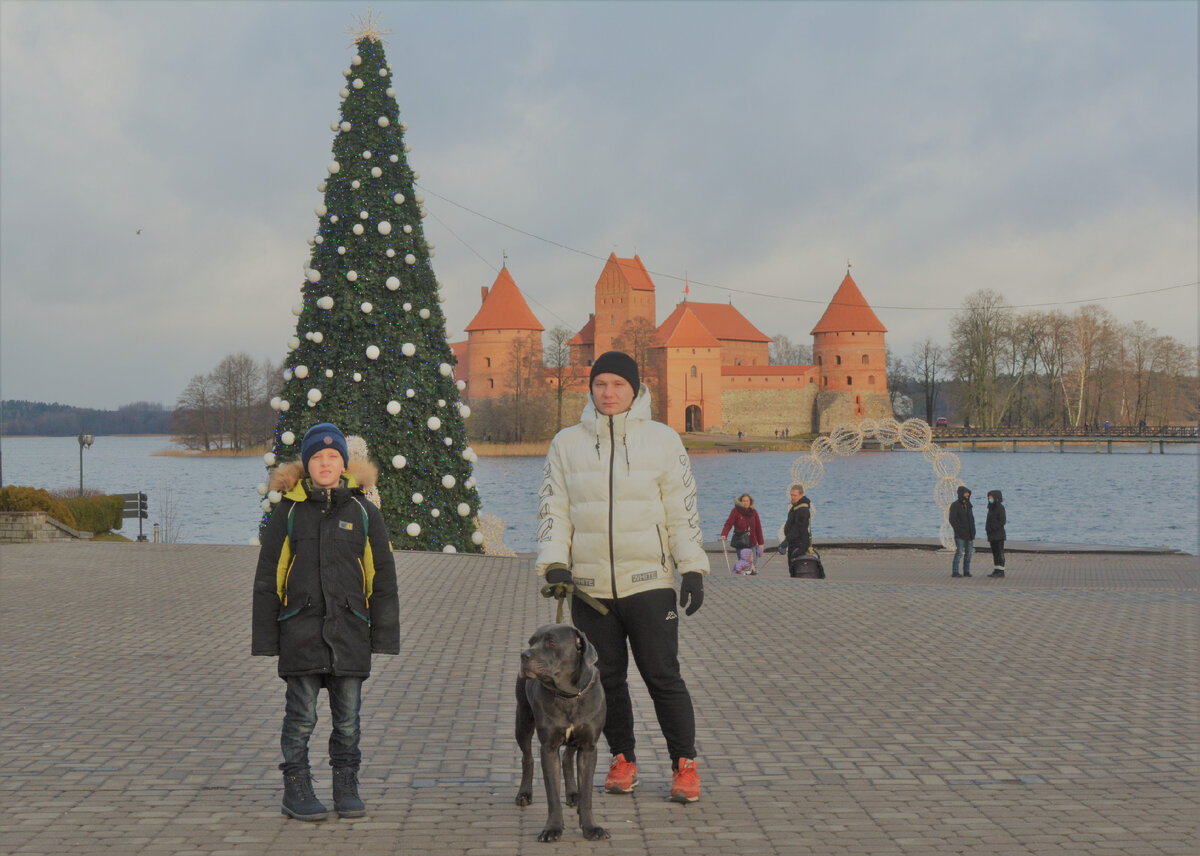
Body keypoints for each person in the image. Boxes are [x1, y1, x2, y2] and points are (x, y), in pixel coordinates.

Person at [536, 351, 708, 804]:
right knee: (604, 678)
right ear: (590, 390)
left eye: (618, 384)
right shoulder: (566, 444)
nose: (609, 393)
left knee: (662, 675)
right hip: (590, 589)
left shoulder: (664, 441)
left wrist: (692, 567)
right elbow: (554, 509)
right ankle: (622, 759)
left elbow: (682, 511)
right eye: (600, 385)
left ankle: (684, 764)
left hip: (649, 582)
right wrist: (555, 561)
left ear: (636, 389)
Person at [252, 423, 399, 822]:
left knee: (348, 721)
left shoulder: (365, 513)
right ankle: (296, 787)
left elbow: (381, 577)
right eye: (317, 457)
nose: (325, 463)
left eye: (333, 457)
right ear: (307, 464)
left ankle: (345, 784)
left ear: (344, 464)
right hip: (300, 632)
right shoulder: (289, 512)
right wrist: (268, 637)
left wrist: (382, 634)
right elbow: (270, 576)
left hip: (350, 632)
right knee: (301, 718)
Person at [720, 493, 765, 574]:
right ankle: (743, 578)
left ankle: (751, 577)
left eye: (747, 501)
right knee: (742, 563)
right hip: (740, 541)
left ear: (750, 502)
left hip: (752, 541)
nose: (745, 503)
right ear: (740, 502)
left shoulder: (754, 512)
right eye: (744, 501)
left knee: (752, 563)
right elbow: (729, 523)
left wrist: (761, 543)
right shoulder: (735, 511)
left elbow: (758, 528)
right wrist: (724, 534)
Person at [782, 483, 813, 573]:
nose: (792, 497)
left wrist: (786, 540)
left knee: (796, 568)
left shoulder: (802, 509)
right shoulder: (796, 506)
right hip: (793, 542)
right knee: (792, 566)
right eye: (791, 495)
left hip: (800, 544)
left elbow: (798, 529)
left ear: (801, 495)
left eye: (795, 495)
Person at [948, 485, 975, 577]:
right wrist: (958, 530)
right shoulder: (955, 505)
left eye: (968, 493)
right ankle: (955, 571)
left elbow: (971, 519)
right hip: (960, 534)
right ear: (961, 494)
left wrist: (973, 531)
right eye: (966, 493)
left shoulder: (969, 505)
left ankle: (966, 571)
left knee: (969, 553)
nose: (967, 495)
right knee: (959, 553)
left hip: (969, 533)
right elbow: (952, 520)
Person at [985, 490, 1007, 578]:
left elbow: (1002, 521)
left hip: (999, 535)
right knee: (995, 553)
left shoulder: (1000, 507)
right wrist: (987, 529)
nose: (989, 499)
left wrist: (993, 528)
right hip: (991, 535)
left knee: (1000, 552)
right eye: (989, 497)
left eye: (991, 497)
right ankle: (996, 569)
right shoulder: (990, 507)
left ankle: (1001, 571)